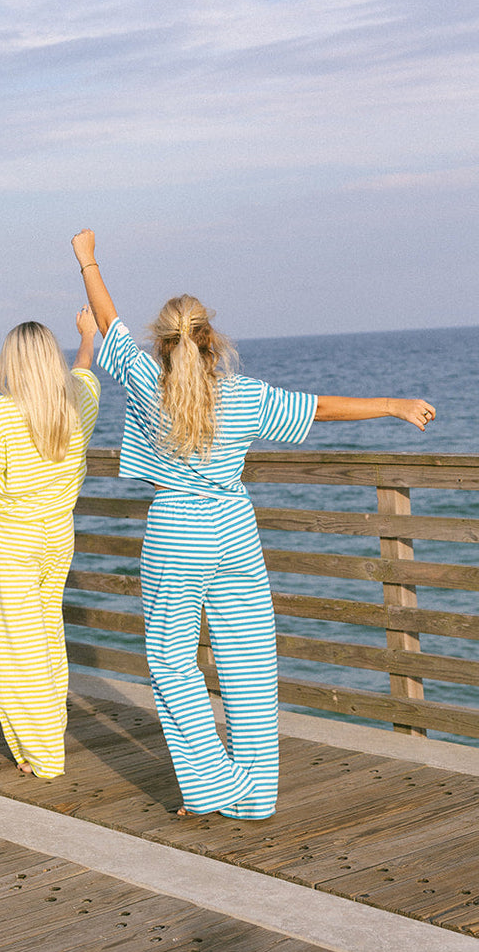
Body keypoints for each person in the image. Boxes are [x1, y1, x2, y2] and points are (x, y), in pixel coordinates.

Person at [70, 229, 436, 820]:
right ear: (211, 342)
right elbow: (317, 408)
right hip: (234, 528)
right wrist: (393, 405)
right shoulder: (243, 395)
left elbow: (109, 322)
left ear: (161, 344)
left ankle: (218, 783)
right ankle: (256, 794)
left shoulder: (146, 382)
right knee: (248, 657)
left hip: (178, 529)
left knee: (170, 659)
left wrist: (87, 259)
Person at [0, 310, 101, 779]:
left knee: (19, 649)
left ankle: (43, 754)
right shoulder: (77, 402)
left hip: (15, 541)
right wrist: (87, 336)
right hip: (59, 536)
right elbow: (84, 369)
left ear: (13, 360)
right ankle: (48, 738)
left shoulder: (2, 412)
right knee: (48, 639)